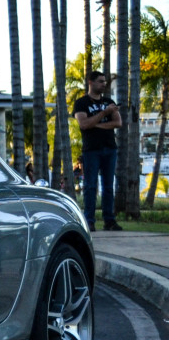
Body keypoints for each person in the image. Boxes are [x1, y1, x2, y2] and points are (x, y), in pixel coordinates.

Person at [72, 69, 123, 231]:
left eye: (104, 82)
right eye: (100, 81)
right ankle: (89, 221)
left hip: (110, 148)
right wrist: (104, 113)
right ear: (91, 82)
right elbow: (84, 124)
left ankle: (109, 220)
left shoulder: (109, 101)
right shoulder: (81, 103)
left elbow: (118, 123)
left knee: (108, 186)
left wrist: (97, 123)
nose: (104, 84)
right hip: (91, 150)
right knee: (90, 186)